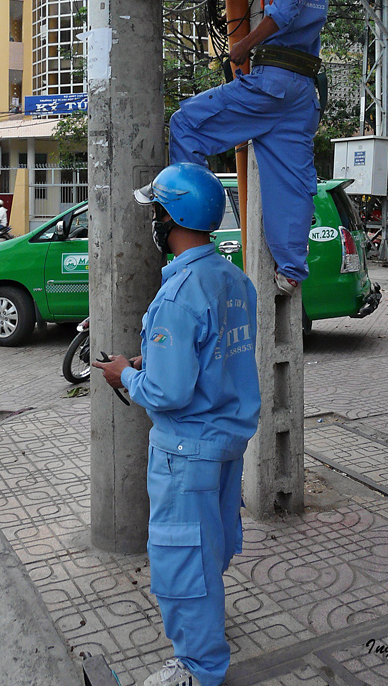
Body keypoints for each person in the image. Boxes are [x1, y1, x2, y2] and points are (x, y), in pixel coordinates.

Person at [93, 162, 261, 686]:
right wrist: (151, 363)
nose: (154, 222)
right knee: (210, 545)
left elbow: (169, 393)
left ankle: (199, 667)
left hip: (186, 451)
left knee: (181, 560)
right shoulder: (233, 279)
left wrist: (126, 375)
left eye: (156, 212)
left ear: (171, 218)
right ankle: (207, 628)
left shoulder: (178, 293)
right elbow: (213, 359)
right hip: (227, 442)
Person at [169, 0, 329, 296]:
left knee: (186, 123)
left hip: (273, 81)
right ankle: (290, 272)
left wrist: (243, 44)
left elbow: (284, 12)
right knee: (290, 181)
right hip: (303, 92)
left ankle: (192, 237)